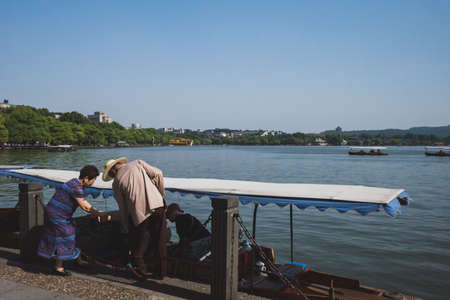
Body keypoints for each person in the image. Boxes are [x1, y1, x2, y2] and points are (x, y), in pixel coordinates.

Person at [103, 157, 167, 278]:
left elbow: (123, 209)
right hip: (158, 207)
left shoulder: (116, 183)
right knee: (160, 239)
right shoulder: (138, 163)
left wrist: (125, 226)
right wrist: (159, 195)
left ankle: (141, 269)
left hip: (140, 214)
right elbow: (159, 173)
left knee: (140, 242)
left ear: (112, 172)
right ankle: (161, 272)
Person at [37, 165, 106, 276]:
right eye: (93, 180)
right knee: (67, 236)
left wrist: (95, 211)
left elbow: (84, 203)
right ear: (86, 178)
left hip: (59, 214)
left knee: (75, 232)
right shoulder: (76, 187)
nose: (93, 182)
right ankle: (58, 268)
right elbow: (85, 206)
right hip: (57, 215)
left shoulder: (73, 182)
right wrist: (98, 213)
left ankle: (78, 261)